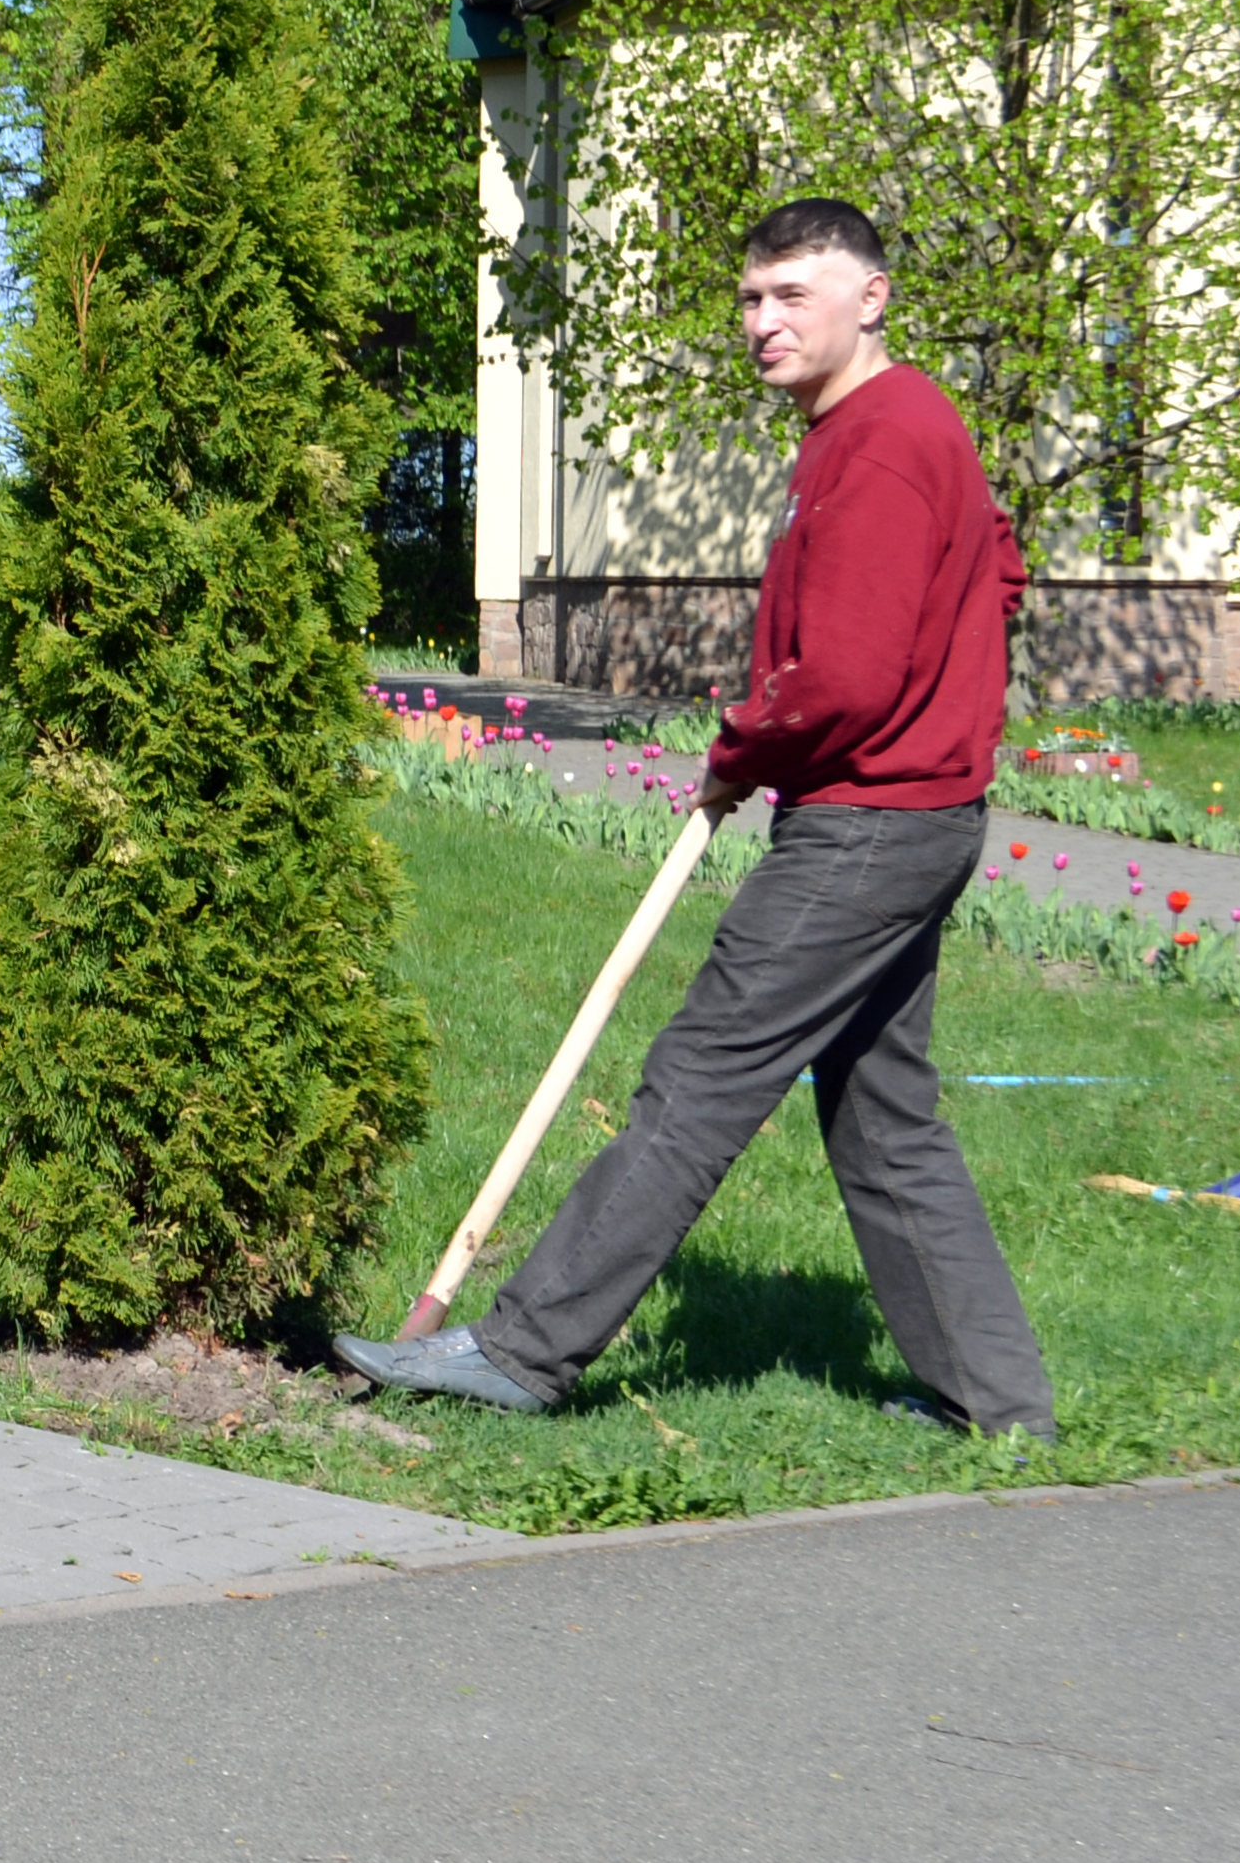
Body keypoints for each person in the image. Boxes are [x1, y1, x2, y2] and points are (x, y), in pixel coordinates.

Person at [342, 199, 1053, 1439]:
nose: (763, 322)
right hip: (913, 812)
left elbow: (842, 676)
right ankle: (999, 1408)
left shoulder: (884, 441)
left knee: (699, 1080)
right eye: (750, 298)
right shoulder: (889, 427)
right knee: (883, 1113)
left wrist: (743, 746)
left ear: (871, 296)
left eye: (794, 295)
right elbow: (996, 571)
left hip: (870, 823)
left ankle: (523, 1352)